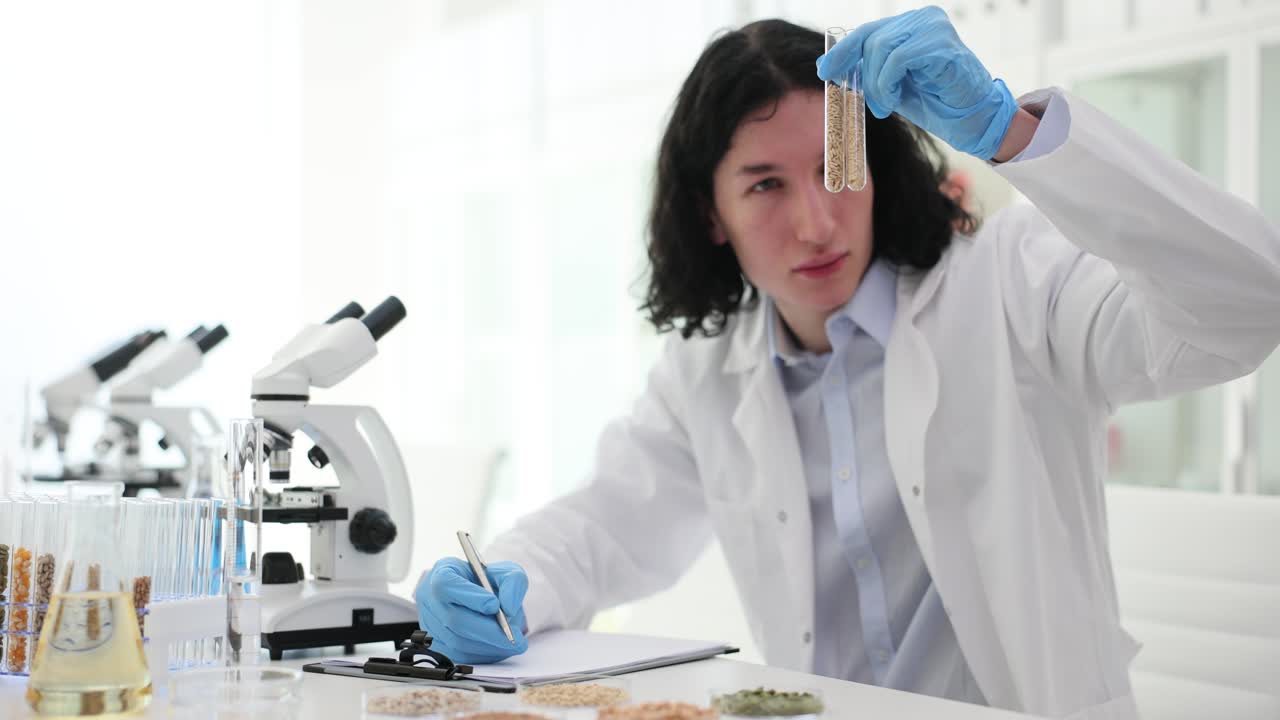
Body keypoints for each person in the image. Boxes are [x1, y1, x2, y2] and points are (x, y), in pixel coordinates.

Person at [413, 8, 1280, 719]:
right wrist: (502, 589)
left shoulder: (1013, 288)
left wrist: (1013, 133)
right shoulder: (708, 370)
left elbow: (1246, 302)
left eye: (837, 168)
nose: (818, 224)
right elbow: (606, 526)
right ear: (709, 213)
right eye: (764, 185)